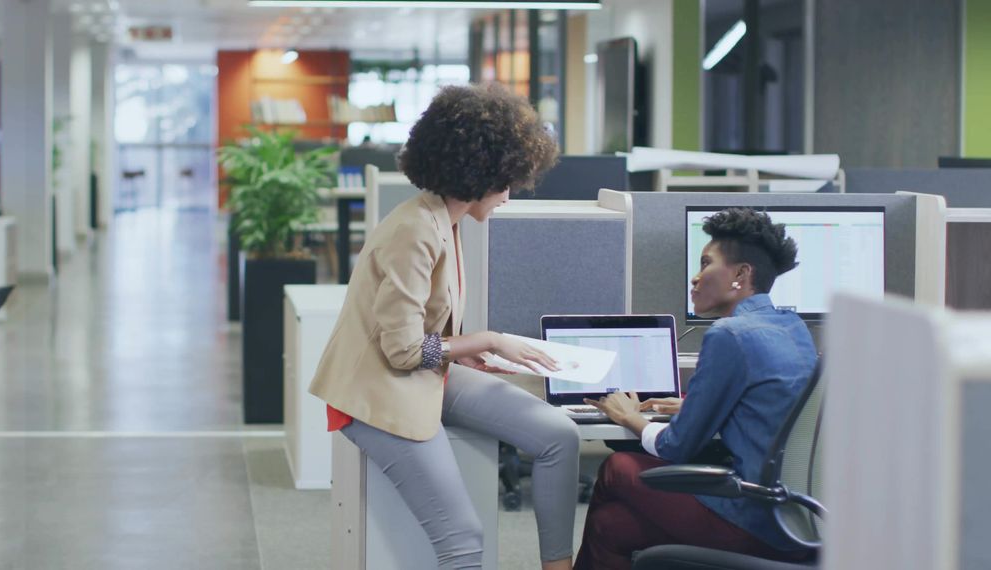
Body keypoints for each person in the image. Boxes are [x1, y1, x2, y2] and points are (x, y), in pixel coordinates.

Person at [309, 83, 581, 570]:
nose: (508, 196)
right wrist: (487, 340)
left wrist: (461, 351)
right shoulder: (415, 231)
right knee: (463, 538)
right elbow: (401, 351)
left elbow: (421, 336)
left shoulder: (443, 220)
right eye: (505, 183)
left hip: (421, 373)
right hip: (377, 390)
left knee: (559, 435)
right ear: (479, 174)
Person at [574, 208, 819, 569]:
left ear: (741, 274)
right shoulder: (791, 326)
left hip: (754, 518)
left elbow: (676, 446)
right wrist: (693, 404)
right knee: (611, 526)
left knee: (617, 466)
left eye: (706, 263)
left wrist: (630, 418)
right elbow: (771, 400)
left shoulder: (729, 335)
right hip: (799, 518)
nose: (695, 277)